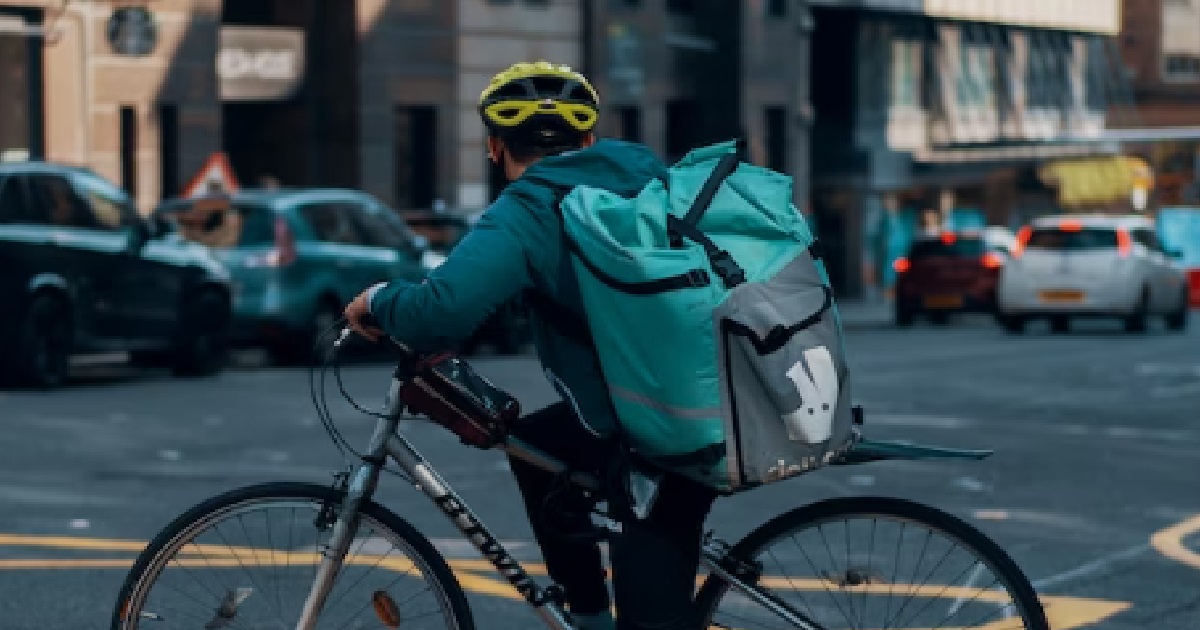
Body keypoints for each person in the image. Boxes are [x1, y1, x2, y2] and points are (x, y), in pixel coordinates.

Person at [344, 61, 718, 630]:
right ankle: (587, 615)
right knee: (535, 450)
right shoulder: (649, 175)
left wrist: (376, 301)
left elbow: (440, 312)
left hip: (662, 431)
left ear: (494, 146)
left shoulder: (528, 210)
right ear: (589, 140)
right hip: (704, 395)